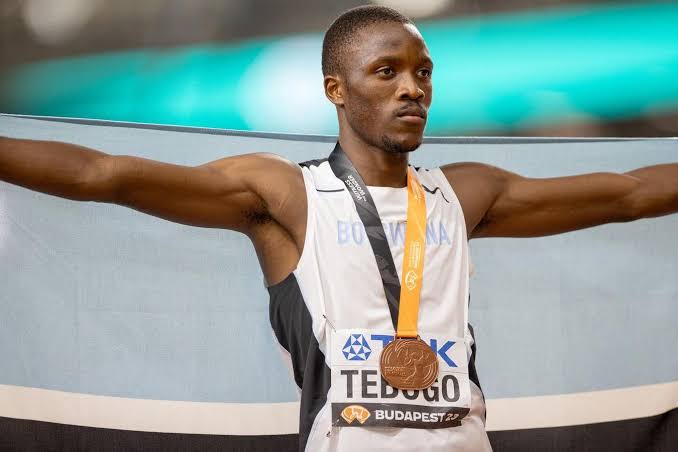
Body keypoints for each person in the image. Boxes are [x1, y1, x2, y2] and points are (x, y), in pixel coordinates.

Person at [1, 5, 676, 452]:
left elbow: (630, 194)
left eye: (423, 73)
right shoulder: (286, 195)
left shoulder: (465, 193)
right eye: (387, 72)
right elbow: (103, 173)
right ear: (336, 90)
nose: (412, 88)